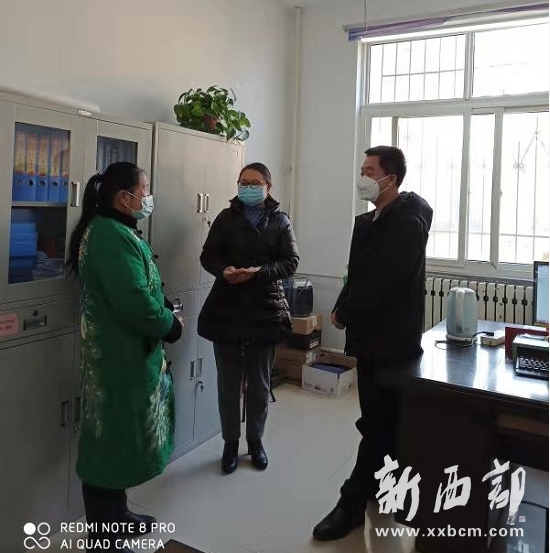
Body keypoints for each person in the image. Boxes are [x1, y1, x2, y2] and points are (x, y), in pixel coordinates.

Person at [312, 146, 433, 541]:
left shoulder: (407, 222)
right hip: (367, 338)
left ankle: (350, 504)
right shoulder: (367, 221)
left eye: (369, 170)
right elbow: (357, 275)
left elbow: (385, 281)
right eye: (362, 169)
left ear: (390, 178)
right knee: (380, 420)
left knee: (378, 423)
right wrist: (341, 306)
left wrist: (347, 313)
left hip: (391, 339)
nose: (362, 177)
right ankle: (383, 487)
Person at [67, 162, 183, 552]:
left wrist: (162, 305)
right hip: (115, 363)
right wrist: (169, 324)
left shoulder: (115, 230)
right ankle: (104, 540)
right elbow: (134, 303)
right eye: (144, 189)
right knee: (108, 448)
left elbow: (138, 287)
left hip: (123, 357)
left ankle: (118, 516)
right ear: (124, 197)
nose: (148, 197)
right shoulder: (109, 236)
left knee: (118, 444)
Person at [198, 162, 299, 474]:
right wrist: (225, 270)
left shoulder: (280, 220)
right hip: (226, 309)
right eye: (243, 182)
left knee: (259, 384)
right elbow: (208, 255)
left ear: (268, 187)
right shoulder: (225, 218)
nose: (248, 187)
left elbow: (291, 261)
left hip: (265, 310)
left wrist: (259, 272)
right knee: (228, 383)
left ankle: (255, 440)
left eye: (255, 183)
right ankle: (230, 441)